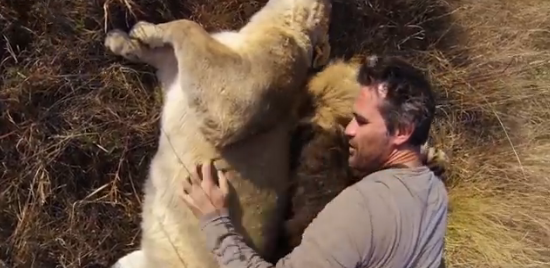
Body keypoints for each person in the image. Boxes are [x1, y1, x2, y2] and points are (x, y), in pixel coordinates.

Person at [181, 55, 449, 268]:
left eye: (362, 121)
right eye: (351, 119)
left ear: (402, 132)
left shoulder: (360, 208)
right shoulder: (435, 193)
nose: (350, 130)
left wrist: (215, 222)